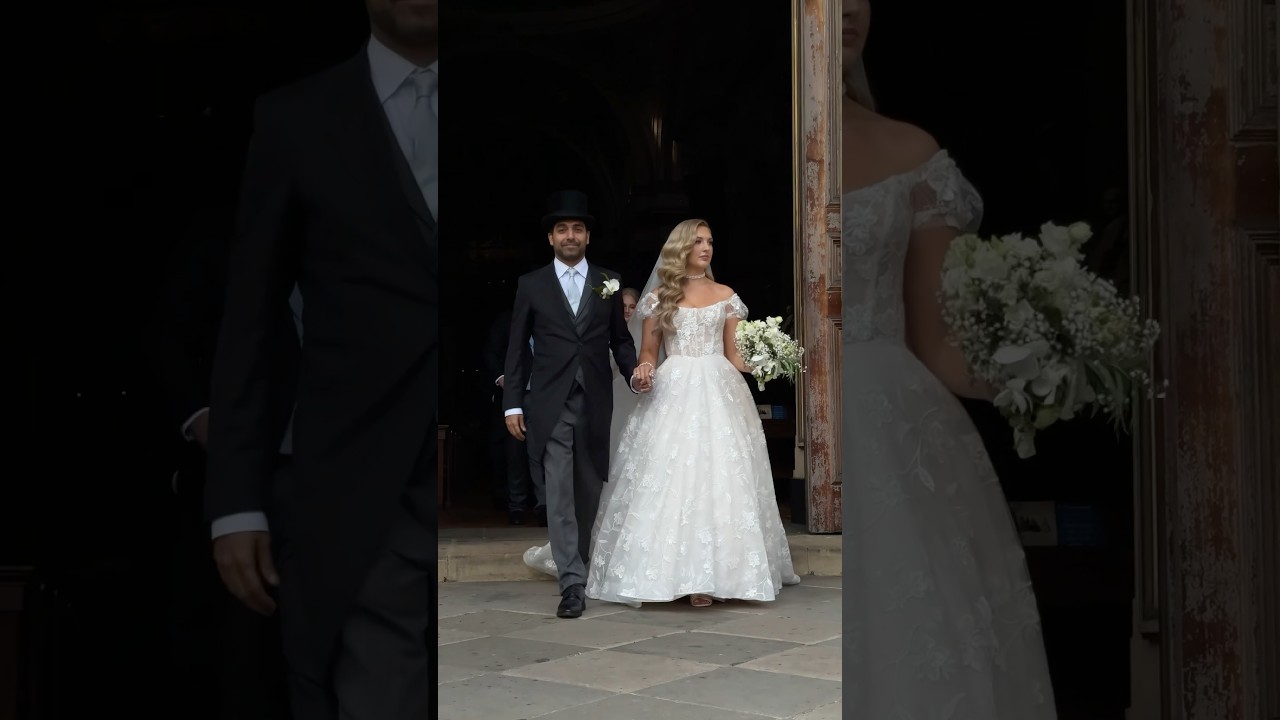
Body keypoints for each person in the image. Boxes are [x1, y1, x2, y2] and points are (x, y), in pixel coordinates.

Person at [204, 0, 437, 717]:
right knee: (380, 694)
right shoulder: (297, 117)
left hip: (486, 452)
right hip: (354, 468)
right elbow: (253, 313)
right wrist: (235, 501)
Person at [839, 0, 1057, 716]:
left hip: (893, 427)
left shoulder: (908, 153)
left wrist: (1041, 372)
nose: (849, 9)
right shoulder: (743, 150)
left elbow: (937, 346)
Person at [526, 219, 801, 608]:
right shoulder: (660, 297)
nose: (706, 248)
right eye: (698, 241)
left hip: (720, 391)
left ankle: (710, 578)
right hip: (674, 389)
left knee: (720, 478)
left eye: (710, 241)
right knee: (672, 477)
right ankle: (672, 574)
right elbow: (648, 353)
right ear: (681, 247)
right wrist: (643, 371)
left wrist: (767, 359)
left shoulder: (726, 295)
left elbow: (734, 356)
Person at [503, 189, 646, 619]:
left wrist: (635, 374)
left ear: (587, 236)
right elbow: (517, 349)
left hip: (595, 400)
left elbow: (620, 342)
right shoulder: (531, 285)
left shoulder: (609, 282)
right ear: (550, 238)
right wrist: (513, 404)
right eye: (562, 229)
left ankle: (578, 562)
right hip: (549, 403)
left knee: (588, 491)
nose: (570, 235)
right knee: (559, 491)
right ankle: (571, 583)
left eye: (577, 229)